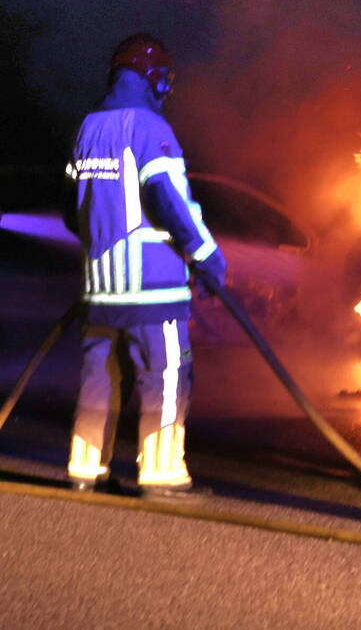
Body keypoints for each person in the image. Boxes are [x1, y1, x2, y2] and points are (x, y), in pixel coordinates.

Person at [62, 33, 226, 497]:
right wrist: (206, 256)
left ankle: (84, 468)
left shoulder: (87, 128)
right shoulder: (152, 130)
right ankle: (161, 473)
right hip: (154, 290)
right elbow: (167, 199)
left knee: (100, 381)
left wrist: (102, 248)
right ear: (154, 78)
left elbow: (69, 211)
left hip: (100, 292)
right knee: (167, 375)